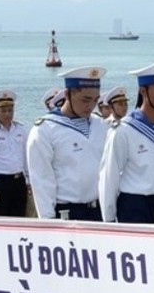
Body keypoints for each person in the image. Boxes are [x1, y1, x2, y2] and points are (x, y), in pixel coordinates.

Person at [98, 60, 154, 224]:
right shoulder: (123, 130)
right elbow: (109, 179)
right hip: (135, 206)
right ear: (143, 91)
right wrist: (109, 221)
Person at [27, 66, 108, 220]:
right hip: (67, 213)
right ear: (67, 94)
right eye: (85, 99)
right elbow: (42, 181)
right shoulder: (45, 130)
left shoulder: (99, 124)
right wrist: (48, 221)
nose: (90, 106)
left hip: (99, 210)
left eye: (95, 100)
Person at [0, 89, 29, 217]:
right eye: (3, 111)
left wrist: (29, 181)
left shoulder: (21, 129)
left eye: (10, 110)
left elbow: (25, 157)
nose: (7, 114)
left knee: (19, 220)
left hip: (19, 181)